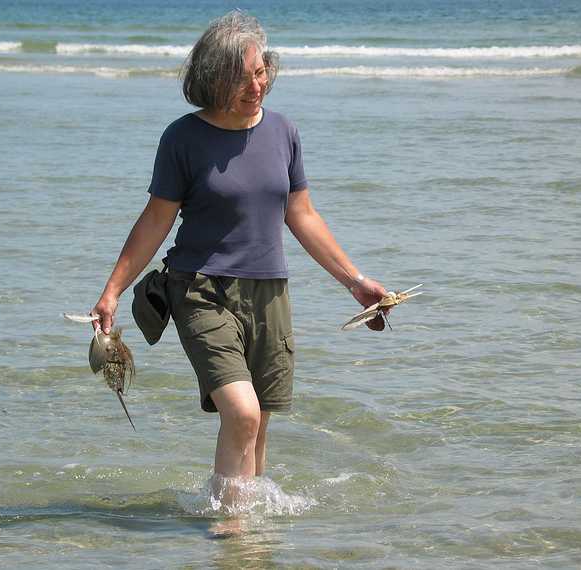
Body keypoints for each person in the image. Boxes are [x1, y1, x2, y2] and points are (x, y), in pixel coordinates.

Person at [91, 10, 388, 510]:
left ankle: (242, 534)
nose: (258, 84)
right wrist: (113, 290)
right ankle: (229, 530)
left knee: (260, 419)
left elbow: (303, 215)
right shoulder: (183, 138)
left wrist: (354, 281)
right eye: (242, 76)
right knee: (243, 413)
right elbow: (155, 220)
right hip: (200, 289)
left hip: (268, 291)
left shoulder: (284, 132)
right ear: (212, 80)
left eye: (261, 71)